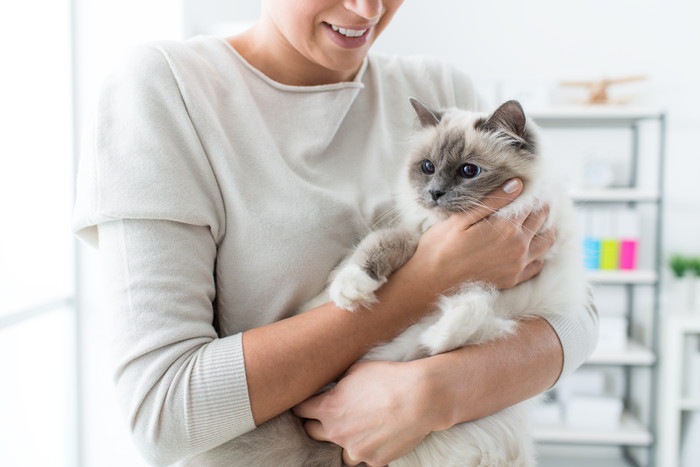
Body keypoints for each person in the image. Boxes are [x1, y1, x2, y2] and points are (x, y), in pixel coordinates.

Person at [73, 0, 598, 465]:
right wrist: (427, 281)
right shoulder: (165, 87)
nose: (367, 10)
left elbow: (576, 318)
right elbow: (163, 415)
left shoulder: (440, 90)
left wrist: (438, 393)